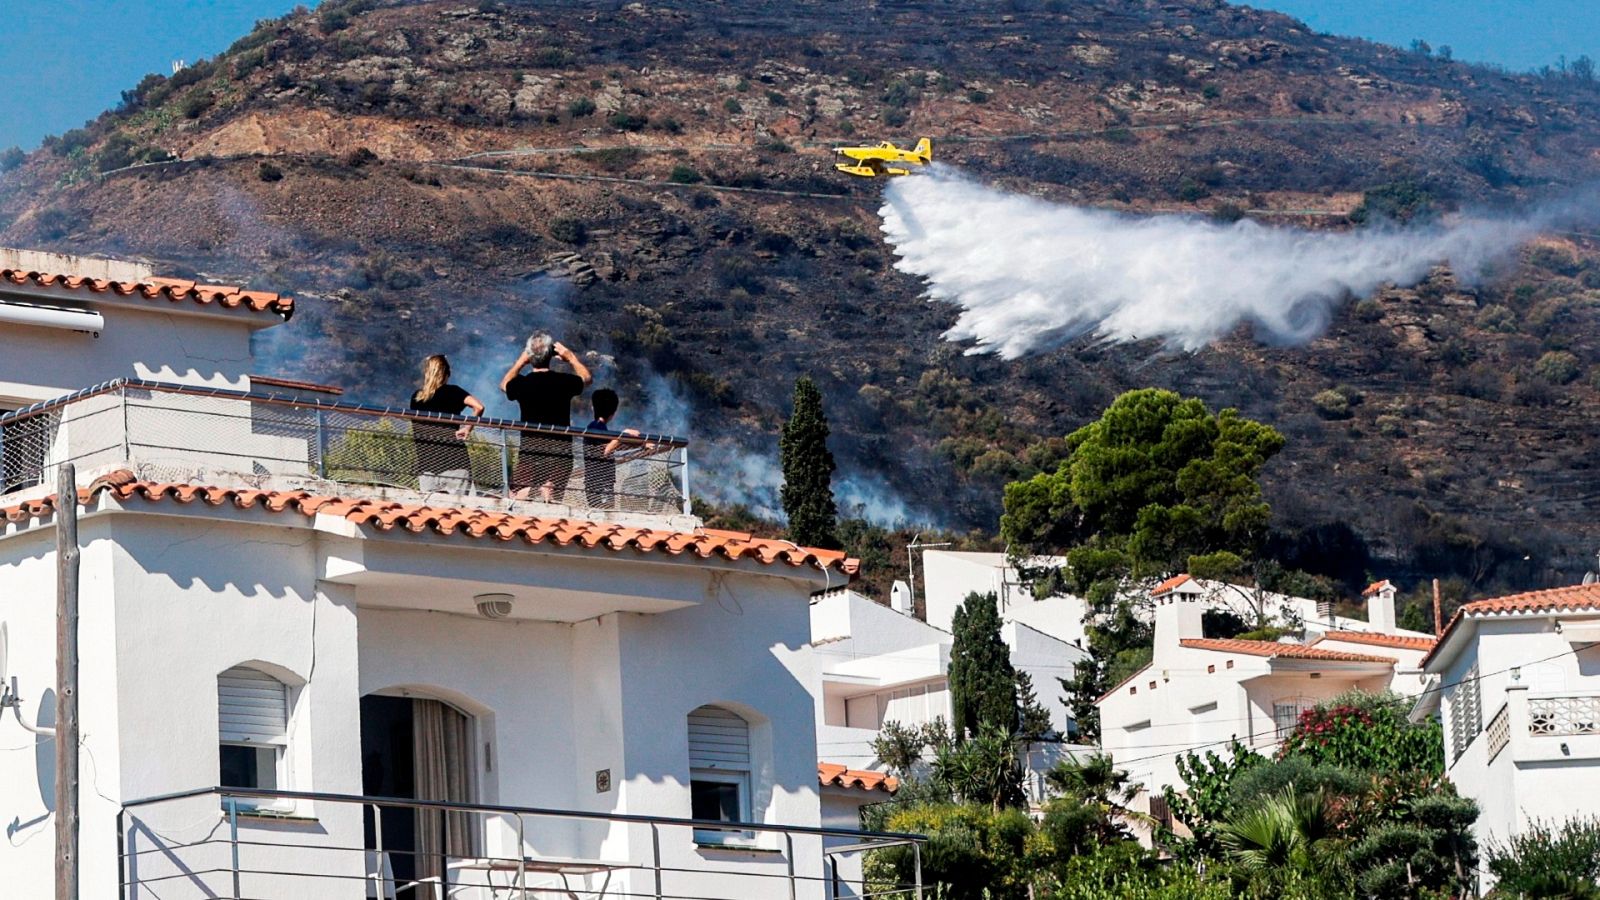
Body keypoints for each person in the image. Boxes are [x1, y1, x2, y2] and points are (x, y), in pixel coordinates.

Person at [500, 332, 591, 500]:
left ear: (529, 356)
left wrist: (520, 362)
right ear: (551, 355)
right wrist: (571, 357)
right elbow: (586, 378)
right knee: (553, 500)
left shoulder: (522, 384)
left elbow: (504, 384)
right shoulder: (564, 382)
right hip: (560, 453)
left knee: (518, 496)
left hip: (530, 452)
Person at [409, 355, 485, 496]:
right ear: (446, 373)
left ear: (427, 373)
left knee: (430, 511)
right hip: (455, 461)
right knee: (460, 510)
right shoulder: (454, 392)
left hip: (427, 465)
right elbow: (479, 407)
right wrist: (467, 428)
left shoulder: (416, 397)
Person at [581, 389, 644, 509]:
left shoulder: (597, 427)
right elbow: (605, 451)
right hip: (598, 482)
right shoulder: (596, 427)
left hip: (599, 482)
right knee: (604, 513)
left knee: (604, 512)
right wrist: (624, 434)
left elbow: (615, 445)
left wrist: (641, 444)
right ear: (613, 413)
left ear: (593, 408)